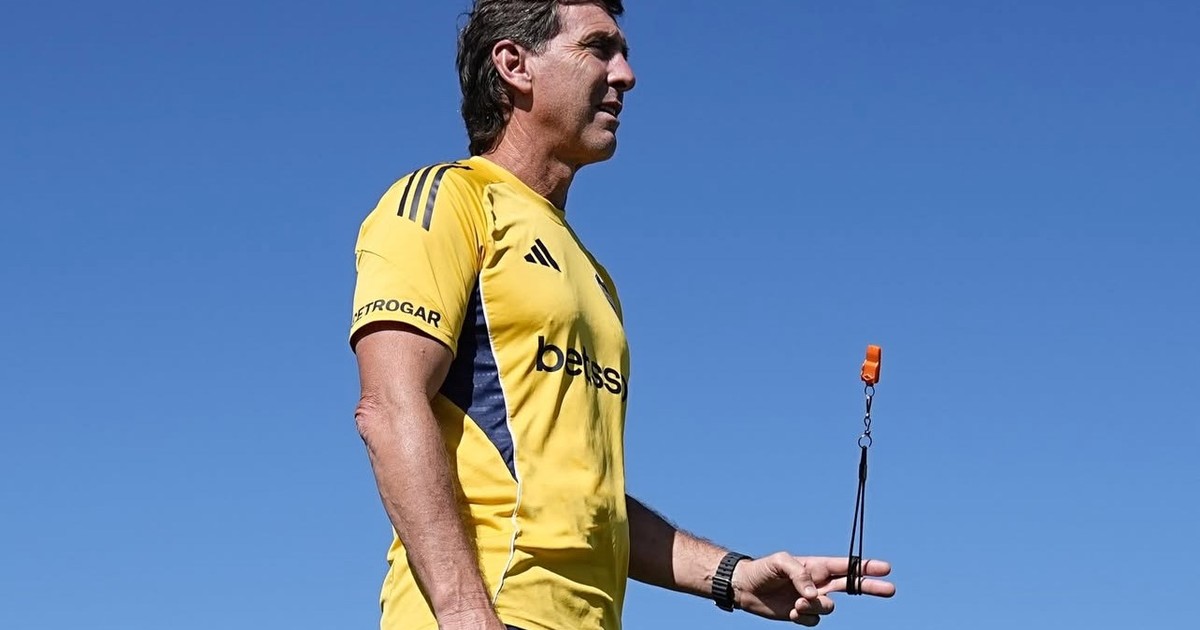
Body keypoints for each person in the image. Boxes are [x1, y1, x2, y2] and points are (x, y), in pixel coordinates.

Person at [348, 2, 896, 629]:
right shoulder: (448, 199)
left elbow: (589, 503)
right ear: (514, 65)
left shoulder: (593, 274)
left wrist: (733, 575)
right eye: (598, 48)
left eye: (623, 54)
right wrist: (466, 612)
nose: (626, 75)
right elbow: (388, 407)